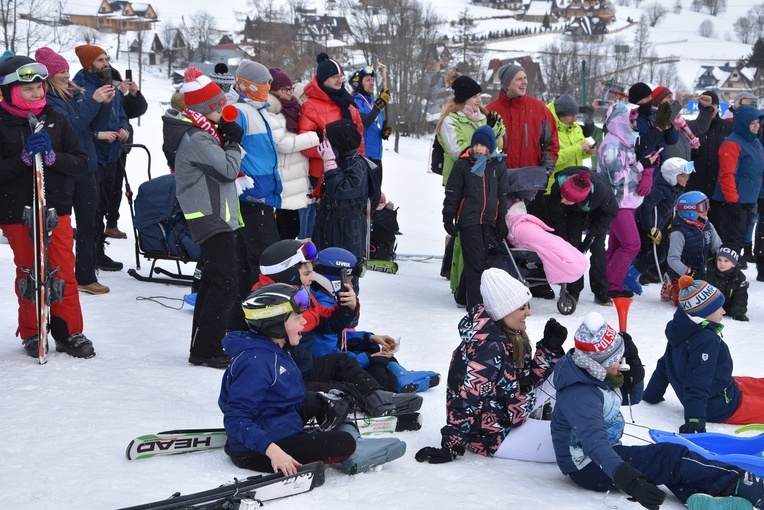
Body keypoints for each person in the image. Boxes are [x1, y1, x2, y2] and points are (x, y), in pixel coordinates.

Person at [551, 310, 764, 510]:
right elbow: (595, 445)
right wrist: (630, 481)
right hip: (588, 466)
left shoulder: (593, 375)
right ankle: (744, 485)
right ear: (598, 363)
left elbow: (631, 397)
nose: (620, 363)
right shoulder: (579, 393)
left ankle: (703, 498)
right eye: (616, 359)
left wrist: (633, 364)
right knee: (670, 456)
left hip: (599, 458)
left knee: (667, 468)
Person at [253, 240, 423, 418]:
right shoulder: (270, 304)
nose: (312, 277)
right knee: (332, 389)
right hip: (286, 380)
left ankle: (378, 398)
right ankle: (357, 402)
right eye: (307, 273)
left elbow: (326, 323)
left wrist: (347, 308)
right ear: (288, 275)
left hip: (304, 366)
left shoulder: (301, 295)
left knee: (342, 362)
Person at [415, 268, 566, 464]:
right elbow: (468, 397)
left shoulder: (510, 337)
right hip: (491, 437)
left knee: (566, 369)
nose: (528, 313)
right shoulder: (489, 347)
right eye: (522, 308)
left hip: (509, 416)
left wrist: (549, 349)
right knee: (570, 447)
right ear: (504, 310)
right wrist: (450, 445)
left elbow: (523, 382)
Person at [0, 55, 95, 358]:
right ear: (9, 91)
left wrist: (54, 158)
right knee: (30, 273)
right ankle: (32, 331)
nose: (38, 94)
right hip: (17, 211)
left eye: (39, 87)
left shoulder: (55, 118)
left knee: (62, 271)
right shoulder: (2, 124)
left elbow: (81, 161)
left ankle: (69, 332)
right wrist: (22, 161)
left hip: (56, 209)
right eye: (28, 90)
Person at [218, 283, 357, 474]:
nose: (304, 322)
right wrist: (273, 452)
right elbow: (236, 417)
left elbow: (280, 393)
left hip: (277, 421)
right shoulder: (256, 363)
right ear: (276, 324)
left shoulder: (275, 347)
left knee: (318, 397)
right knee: (344, 443)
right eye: (298, 317)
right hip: (260, 451)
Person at [164, 67, 242, 369]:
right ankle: (207, 349)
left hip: (213, 213)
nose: (225, 111)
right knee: (223, 283)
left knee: (214, 281)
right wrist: (234, 143)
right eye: (220, 107)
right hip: (209, 216)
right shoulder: (197, 137)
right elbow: (227, 170)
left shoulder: (204, 132)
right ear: (206, 110)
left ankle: (204, 344)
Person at [311, 246, 440, 393]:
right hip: (320, 369)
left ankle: (399, 373)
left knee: (369, 345)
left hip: (325, 361)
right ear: (337, 278)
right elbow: (328, 355)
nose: (352, 285)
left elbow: (337, 337)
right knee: (370, 363)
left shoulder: (323, 298)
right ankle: (394, 380)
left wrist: (370, 337)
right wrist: (369, 358)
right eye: (350, 279)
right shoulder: (323, 305)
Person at [35, 47, 111, 295]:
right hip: (64, 171)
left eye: (68, 70)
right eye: (61, 71)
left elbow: (95, 125)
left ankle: (86, 276)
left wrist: (106, 103)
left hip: (87, 167)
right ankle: (59, 274)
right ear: (49, 76)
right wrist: (93, 101)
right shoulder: (49, 101)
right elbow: (73, 127)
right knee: (61, 228)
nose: (67, 75)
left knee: (88, 224)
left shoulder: (75, 94)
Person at [644, 276, 764, 431]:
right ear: (703, 312)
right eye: (718, 307)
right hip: (719, 406)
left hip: (720, 389)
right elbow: (698, 380)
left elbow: (665, 365)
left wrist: (651, 395)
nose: (724, 310)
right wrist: (695, 419)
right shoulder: (706, 340)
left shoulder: (681, 329)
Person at [228, 60, 282, 327]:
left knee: (250, 262)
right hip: (249, 198)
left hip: (260, 197)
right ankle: (260, 318)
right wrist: (241, 178)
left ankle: (243, 319)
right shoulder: (239, 110)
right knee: (266, 260)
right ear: (250, 86)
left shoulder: (256, 110)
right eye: (265, 83)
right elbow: (228, 147)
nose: (269, 88)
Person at [72, 44, 129, 272]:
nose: (106, 64)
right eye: (101, 60)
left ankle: (99, 250)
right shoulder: (79, 87)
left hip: (112, 154)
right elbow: (75, 125)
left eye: (106, 59)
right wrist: (98, 134)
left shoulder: (109, 85)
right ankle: (91, 254)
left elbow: (121, 114)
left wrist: (124, 129)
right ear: (89, 64)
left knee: (104, 205)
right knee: (91, 209)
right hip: (92, 156)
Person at [598, 102, 660, 299]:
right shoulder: (612, 144)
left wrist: (647, 167)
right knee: (632, 244)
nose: (635, 122)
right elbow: (616, 177)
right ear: (620, 121)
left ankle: (605, 282)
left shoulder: (627, 141)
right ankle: (612, 285)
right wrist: (642, 166)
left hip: (628, 201)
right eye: (631, 118)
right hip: (616, 202)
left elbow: (632, 166)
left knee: (618, 246)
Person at [443, 126, 508, 309]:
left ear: (490, 148)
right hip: (469, 219)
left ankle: (462, 296)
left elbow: (502, 195)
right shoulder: (463, 165)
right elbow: (452, 192)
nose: (478, 149)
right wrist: (448, 217)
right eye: (476, 144)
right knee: (476, 262)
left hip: (489, 220)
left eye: (483, 145)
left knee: (480, 260)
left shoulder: (498, 166)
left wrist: (501, 219)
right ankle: (476, 306)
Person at [298, 52, 365, 200]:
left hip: (351, 168)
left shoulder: (348, 102)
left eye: (341, 76)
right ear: (323, 79)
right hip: (323, 172)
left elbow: (358, 135)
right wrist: (330, 153)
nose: (339, 80)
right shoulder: (311, 106)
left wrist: (360, 161)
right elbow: (305, 143)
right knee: (328, 219)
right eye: (334, 77)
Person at [312, 118, 380, 260]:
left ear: (340, 142)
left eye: (328, 139)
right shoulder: (339, 161)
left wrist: (330, 163)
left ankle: (348, 282)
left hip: (348, 227)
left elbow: (342, 190)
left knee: (344, 265)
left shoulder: (357, 165)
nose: (324, 143)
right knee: (323, 263)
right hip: (328, 221)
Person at [549, 166, 618, 306]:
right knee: (572, 246)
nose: (562, 200)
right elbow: (557, 217)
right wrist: (563, 239)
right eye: (563, 195)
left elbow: (610, 213)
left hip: (599, 210)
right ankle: (573, 291)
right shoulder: (559, 188)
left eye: (566, 198)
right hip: (574, 210)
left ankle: (602, 292)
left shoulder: (602, 193)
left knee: (598, 248)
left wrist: (591, 237)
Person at [265, 67, 319, 242]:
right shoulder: (272, 113)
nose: (289, 93)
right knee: (288, 228)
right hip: (284, 176)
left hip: (297, 175)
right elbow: (282, 144)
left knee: (289, 227)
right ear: (273, 91)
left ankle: (279, 263)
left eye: (290, 89)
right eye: (284, 89)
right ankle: (275, 263)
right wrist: (314, 137)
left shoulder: (295, 109)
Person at [631, 157, 694, 287]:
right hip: (645, 225)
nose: (686, 179)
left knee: (659, 254)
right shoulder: (662, 188)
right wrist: (649, 228)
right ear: (672, 176)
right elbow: (647, 205)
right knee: (650, 253)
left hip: (660, 225)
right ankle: (632, 273)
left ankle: (637, 271)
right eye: (682, 176)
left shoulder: (676, 188)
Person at [486, 63, 558, 177]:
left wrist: (545, 172)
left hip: (531, 180)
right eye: (519, 79)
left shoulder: (539, 109)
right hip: (499, 181)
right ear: (507, 84)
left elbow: (552, 143)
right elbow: (481, 147)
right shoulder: (490, 112)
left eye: (525, 78)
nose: (525, 82)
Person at [712, 105, 764, 264]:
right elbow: (726, 175)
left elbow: (757, 170)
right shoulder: (732, 143)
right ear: (742, 123)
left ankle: (730, 273)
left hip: (748, 200)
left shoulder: (755, 142)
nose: (756, 126)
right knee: (733, 241)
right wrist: (732, 201)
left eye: (757, 122)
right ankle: (722, 274)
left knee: (739, 240)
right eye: (752, 123)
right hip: (733, 202)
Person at [103, 66, 147, 240]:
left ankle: (112, 223)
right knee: (102, 188)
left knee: (116, 187)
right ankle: (99, 223)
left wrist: (134, 93)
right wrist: (119, 93)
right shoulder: (103, 94)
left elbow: (137, 110)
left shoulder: (119, 96)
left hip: (120, 146)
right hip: (103, 147)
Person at [664, 191, 722, 305]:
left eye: (707, 205)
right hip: (682, 275)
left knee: (714, 296)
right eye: (703, 206)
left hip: (701, 273)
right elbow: (672, 258)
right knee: (685, 302)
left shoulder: (708, 226)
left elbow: (718, 248)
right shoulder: (679, 232)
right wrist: (686, 271)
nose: (707, 209)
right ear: (689, 209)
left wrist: (726, 260)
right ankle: (670, 285)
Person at [686, 91, 732, 230]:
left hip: (718, 185)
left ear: (717, 106)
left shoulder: (727, 128)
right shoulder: (692, 127)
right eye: (705, 104)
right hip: (696, 182)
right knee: (693, 225)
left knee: (717, 226)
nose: (709, 107)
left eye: (712, 104)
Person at [349, 65, 391, 187]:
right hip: (364, 157)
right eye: (367, 80)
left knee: (375, 198)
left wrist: (384, 132)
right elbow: (364, 122)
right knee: (366, 199)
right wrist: (380, 104)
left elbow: (374, 125)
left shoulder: (371, 103)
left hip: (377, 156)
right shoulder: (355, 101)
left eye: (372, 80)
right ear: (358, 84)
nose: (372, 83)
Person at [629, 82, 678, 167]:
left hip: (661, 166)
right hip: (644, 168)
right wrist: (659, 128)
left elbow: (672, 140)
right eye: (646, 97)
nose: (650, 99)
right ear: (637, 101)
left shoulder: (655, 114)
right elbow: (640, 146)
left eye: (650, 96)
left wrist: (669, 126)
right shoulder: (632, 119)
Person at [704, 244, 749, 322]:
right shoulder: (708, 273)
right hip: (710, 306)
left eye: (726, 261)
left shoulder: (739, 277)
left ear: (734, 264)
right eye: (719, 260)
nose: (722, 264)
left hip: (728, 306)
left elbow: (741, 296)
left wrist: (739, 312)